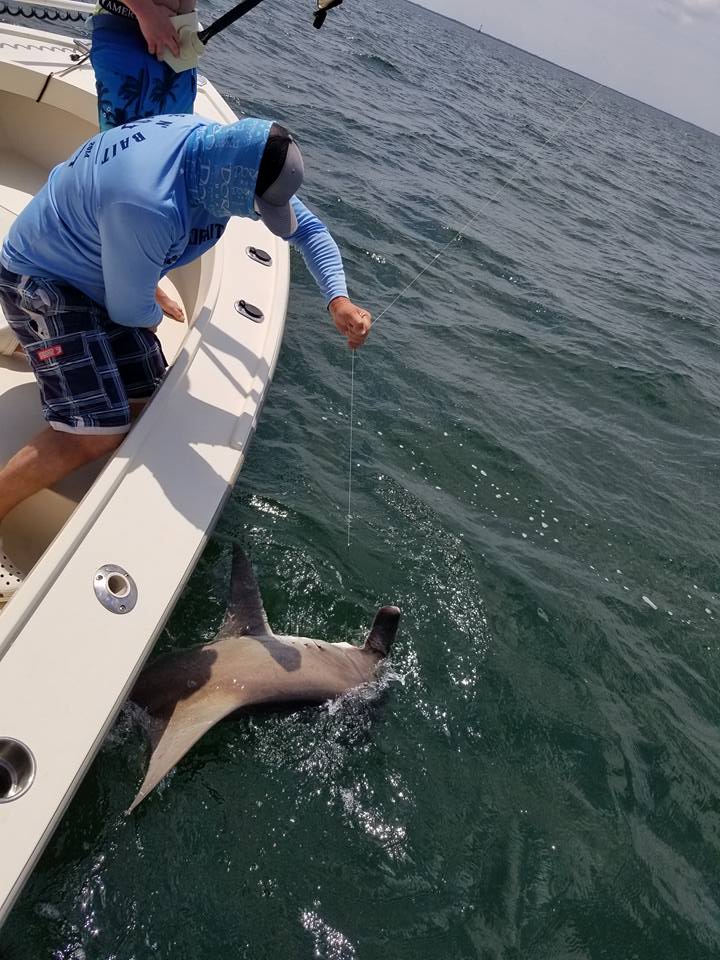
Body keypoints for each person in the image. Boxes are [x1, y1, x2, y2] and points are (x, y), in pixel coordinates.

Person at [0, 114, 372, 601]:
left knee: (153, 399)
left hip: (105, 265)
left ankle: (45, 345)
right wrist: (137, 288)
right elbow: (130, 312)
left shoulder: (224, 156)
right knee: (98, 430)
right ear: (234, 183)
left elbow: (311, 233)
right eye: (257, 207)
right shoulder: (150, 203)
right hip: (41, 276)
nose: (261, 216)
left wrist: (338, 300)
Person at [90, 0, 194, 131]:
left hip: (180, 46)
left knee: (175, 141)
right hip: (126, 34)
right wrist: (147, 12)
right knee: (123, 145)